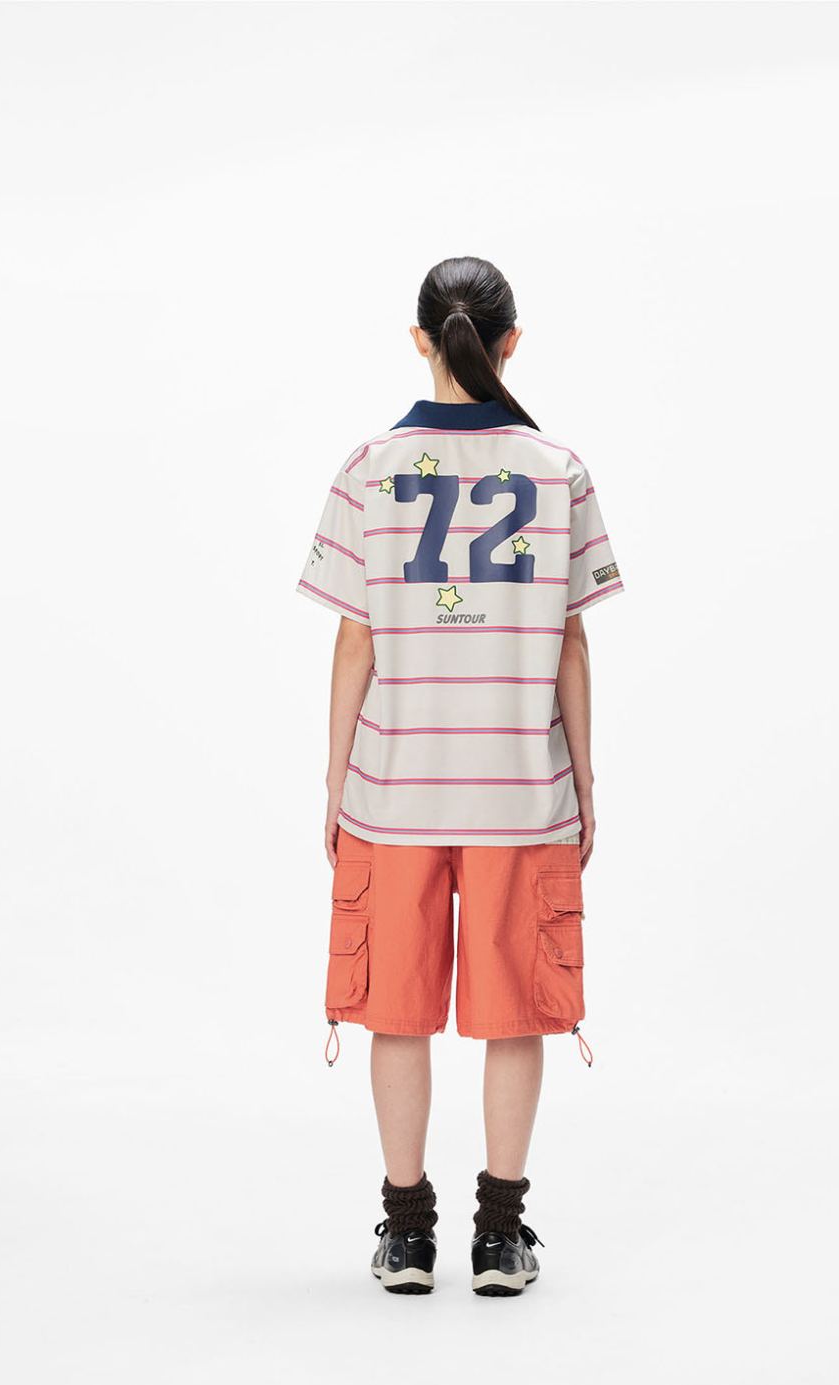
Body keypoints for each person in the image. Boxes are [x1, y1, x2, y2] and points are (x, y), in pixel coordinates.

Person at [297, 256, 624, 1297]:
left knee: (397, 1008)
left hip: (393, 789)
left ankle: (406, 1235)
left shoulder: (369, 467)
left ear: (419, 340)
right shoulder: (558, 469)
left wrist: (334, 782)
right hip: (520, 790)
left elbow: (355, 640)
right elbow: (571, 642)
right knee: (514, 1010)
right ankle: (499, 1235)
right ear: (512, 342)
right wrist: (585, 781)